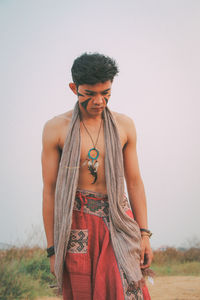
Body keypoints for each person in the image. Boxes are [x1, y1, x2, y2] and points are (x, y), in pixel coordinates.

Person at [41, 52, 153, 300]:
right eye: (90, 94)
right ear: (74, 88)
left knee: (125, 290)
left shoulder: (124, 126)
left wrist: (144, 234)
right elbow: (49, 189)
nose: (99, 101)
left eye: (106, 93)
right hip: (77, 227)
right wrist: (52, 250)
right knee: (83, 291)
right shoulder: (56, 129)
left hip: (120, 222)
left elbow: (134, 182)